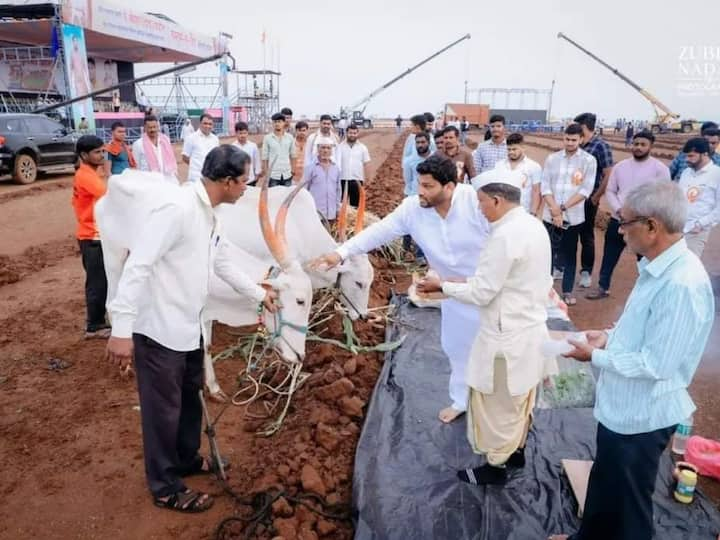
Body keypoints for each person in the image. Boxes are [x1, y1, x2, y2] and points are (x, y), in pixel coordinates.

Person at [105, 145, 279, 514]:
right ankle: (165, 485)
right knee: (162, 411)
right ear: (227, 181)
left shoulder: (210, 214)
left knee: (187, 403)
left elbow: (223, 262)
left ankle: (186, 458)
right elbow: (139, 265)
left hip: (188, 327)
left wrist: (257, 294)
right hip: (159, 331)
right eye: (244, 181)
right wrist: (121, 328)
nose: (246, 188)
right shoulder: (178, 209)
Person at [550, 181, 714, 540]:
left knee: (628, 509)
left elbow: (657, 365)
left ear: (652, 226)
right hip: (623, 407)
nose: (619, 232)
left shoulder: (681, 284)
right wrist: (608, 336)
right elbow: (640, 331)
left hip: (642, 416)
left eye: (624, 223)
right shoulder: (656, 267)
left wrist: (595, 355)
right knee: (605, 484)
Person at [312, 154, 490, 423]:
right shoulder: (412, 209)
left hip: (488, 291)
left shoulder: (475, 204)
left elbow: (507, 239)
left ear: (450, 187)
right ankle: (461, 400)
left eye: (428, 186)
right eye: (420, 183)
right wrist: (341, 253)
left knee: (495, 352)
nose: (420, 191)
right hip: (451, 293)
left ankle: (497, 408)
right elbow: (380, 231)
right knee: (457, 347)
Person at [417, 168, 555, 486]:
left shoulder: (504, 236)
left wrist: (442, 286)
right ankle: (516, 451)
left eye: (480, 202)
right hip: (531, 330)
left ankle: (495, 468)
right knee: (521, 401)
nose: (479, 209)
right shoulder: (534, 225)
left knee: (497, 406)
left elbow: (482, 292)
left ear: (495, 200)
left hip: (506, 337)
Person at [586, 131, 671, 300]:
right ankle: (603, 287)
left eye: (642, 145)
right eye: (636, 144)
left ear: (650, 147)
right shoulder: (621, 166)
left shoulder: (660, 169)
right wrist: (619, 210)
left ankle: (646, 293)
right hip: (619, 219)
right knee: (610, 254)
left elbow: (664, 195)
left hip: (644, 223)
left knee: (645, 259)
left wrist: (643, 215)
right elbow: (610, 191)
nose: (638, 147)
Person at [541, 123, 596, 305]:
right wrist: (553, 209)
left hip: (573, 218)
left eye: (574, 140)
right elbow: (545, 185)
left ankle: (566, 291)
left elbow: (585, 190)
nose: (570, 143)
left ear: (581, 139)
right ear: (563, 138)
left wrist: (561, 208)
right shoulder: (552, 159)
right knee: (547, 254)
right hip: (550, 216)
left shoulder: (588, 161)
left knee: (569, 255)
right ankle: (544, 291)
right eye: (567, 139)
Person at [72, 135, 110, 339]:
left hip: (95, 233)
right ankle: (94, 325)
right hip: (92, 236)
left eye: (102, 151)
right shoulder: (85, 175)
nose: (101, 155)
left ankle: (99, 320)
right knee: (97, 282)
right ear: (84, 155)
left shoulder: (90, 173)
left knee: (102, 279)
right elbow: (107, 195)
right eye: (97, 152)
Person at [574, 112, 614, 289]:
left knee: (586, 235)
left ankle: (586, 272)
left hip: (589, 199)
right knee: (568, 233)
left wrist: (596, 197)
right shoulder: (577, 144)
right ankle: (561, 266)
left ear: (585, 127)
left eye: (579, 127)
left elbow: (608, 174)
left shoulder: (600, 146)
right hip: (571, 198)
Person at [677, 137, 720, 258]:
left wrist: (700, 224)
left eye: (691, 156)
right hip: (678, 228)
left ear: (705, 154)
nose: (687, 159)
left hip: (696, 232)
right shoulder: (686, 173)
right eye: (686, 156)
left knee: (689, 266)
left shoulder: (717, 174)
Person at [492, 132, 542, 216]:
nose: (511, 152)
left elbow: (536, 191)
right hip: (503, 213)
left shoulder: (534, 167)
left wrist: (533, 213)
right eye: (509, 149)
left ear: (523, 148)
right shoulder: (499, 165)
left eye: (514, 149)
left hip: (524, 212)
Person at [401, 131, 432, 262]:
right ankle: (406, 251)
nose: (420, 145)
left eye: (423, 142)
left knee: (425, 227)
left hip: (430, 198)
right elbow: (408, 180)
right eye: (418, 142)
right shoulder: (409, 161)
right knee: (408, 224)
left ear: (429, 143)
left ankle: (420, 255)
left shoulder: (434, 159)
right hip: (413, 196)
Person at [304, 137, 342, 222]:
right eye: (323, 147)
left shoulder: (336, 168)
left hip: (331, 214)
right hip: (315, 214)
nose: (325, 151)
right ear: (318, 149)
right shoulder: (310, 168)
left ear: (331, 151)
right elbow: (305, 190)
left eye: (328, 148)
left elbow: (338, 191)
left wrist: (338, 209)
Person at [131, 115, 178, 182]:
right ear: (145, 127)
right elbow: (136, 165)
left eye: (154, 127)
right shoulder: (138, 144)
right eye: (150, 127)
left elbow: (171, 159)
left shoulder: (165, 140)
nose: (152, 130)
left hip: (167, 179)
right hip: (148, 181)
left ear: (158, 127)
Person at [338, 123, 371, 207]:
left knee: (356, 205)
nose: (352, 135)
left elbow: (366, 163)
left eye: (354, 133)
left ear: (357, 133)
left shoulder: (363, 148)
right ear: (346, 133)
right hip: (342, 180)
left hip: (357, 181)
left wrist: (367, 179)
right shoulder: (340, 147)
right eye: (350, 133)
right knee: (341, 205)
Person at [182, 113, 220, 183]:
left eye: (210, 124)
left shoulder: (215, 139)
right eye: (205, 123)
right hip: (195, 178)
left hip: (210, 178)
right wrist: (195, 165)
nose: (207, 126)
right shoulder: (191, 138)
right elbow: (185, 157)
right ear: (200, 124)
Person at [262, 112, 297, 187]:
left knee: (286, 196)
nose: (277, 124)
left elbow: (293, 155)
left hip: (287, 173)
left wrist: (293, 169)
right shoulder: (267, 138)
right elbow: (265, 157)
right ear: (272, 123)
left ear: (284, 123)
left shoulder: (290, 137)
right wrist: (266, 172)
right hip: (273, 175)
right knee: (273, 197)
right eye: (275, 122)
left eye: (279, 121)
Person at [232, 121, 262, 186]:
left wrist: (257, 174)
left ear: (247, 133)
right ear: (236, 133)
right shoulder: (233, 147)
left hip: (251, 179)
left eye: (244, 133)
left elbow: (257, 161)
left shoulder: (253, 146)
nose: (242, 135)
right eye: (240, 133)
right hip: (237, 180)